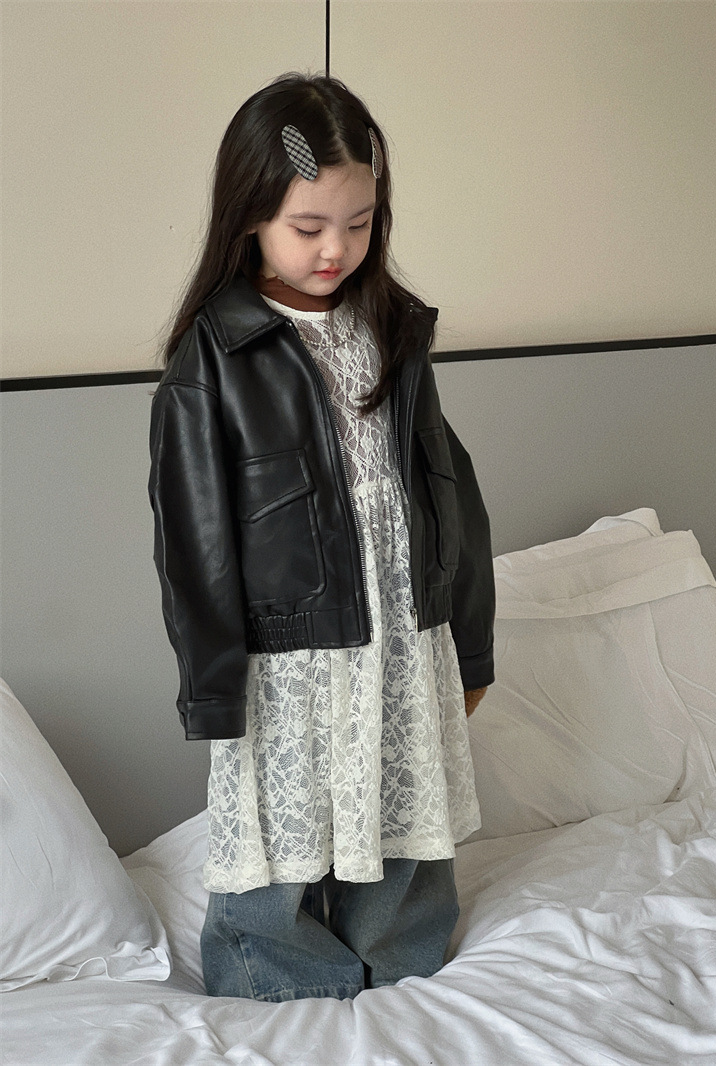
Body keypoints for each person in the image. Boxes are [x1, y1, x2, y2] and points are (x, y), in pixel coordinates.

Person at [149, 72, 495, 1003]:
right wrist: (213, 689)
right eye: (308, 228)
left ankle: (400, 961)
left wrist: (469, 642)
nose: (336, 248)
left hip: (403, 634)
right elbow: (194, 543)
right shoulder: (215, 359)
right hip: (287, 654)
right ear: (250, 217)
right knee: (279, 830)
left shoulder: (394, 330)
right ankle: (275, 974)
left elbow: (450, 490)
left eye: (360, 222)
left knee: (401, 805)